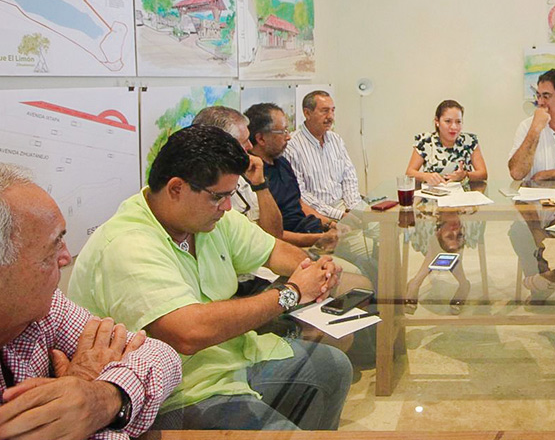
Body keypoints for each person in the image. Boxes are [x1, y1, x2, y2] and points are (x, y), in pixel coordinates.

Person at [69, 126, 353, 430]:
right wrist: (292, 292)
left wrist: (316, 270)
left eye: (230, 195)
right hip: (177, 392)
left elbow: (275, 251)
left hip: (230, 358)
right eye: (219, 197)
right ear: (176, 189)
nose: (227, 207)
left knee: (333, 367)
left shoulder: (209, 218)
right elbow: (189, 333)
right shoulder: (127, 244)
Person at [0, 164, 181, 440]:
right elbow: (187, 332)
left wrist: (102, 395)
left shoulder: (45, 309)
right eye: (52, 246)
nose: (66, 257)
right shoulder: (128, 240)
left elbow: (161, 355)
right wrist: (80, 389)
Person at [244, 103, 339, 250]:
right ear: (261, 139)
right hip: (293, 244)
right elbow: (271, 234)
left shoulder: (282, 162)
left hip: (311, 230)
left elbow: (299, 203)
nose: (288, 137)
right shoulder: (252, 174)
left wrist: (330, 224)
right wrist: (318, 239)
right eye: (282, 132)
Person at [192, 106, 282, 238]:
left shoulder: (241, 174)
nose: (250, 147)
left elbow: (274, 235)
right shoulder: (199, 187)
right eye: (244, 142)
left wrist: (261, 186)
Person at [283, 91, 364, 223]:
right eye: (324, 111)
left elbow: (349, 177)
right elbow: (300, 194)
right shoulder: (292, 146)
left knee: (380, 225)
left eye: (332, 111)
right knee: (361, 235)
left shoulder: (335, 139)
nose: (330, 117)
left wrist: (354, 208)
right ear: (307, 113)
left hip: (344, 205)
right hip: (317, 214)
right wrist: (339, 215)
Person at [406, 99, 488, 186]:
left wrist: (465, 175)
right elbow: (409, 173)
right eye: (448, 121)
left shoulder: (469, 141)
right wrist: (425, 176)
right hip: (433, 192)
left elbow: (483, 174)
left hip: (463, 192)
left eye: (458, 122)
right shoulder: (425, 141)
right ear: (437, 121)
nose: (454, 127)